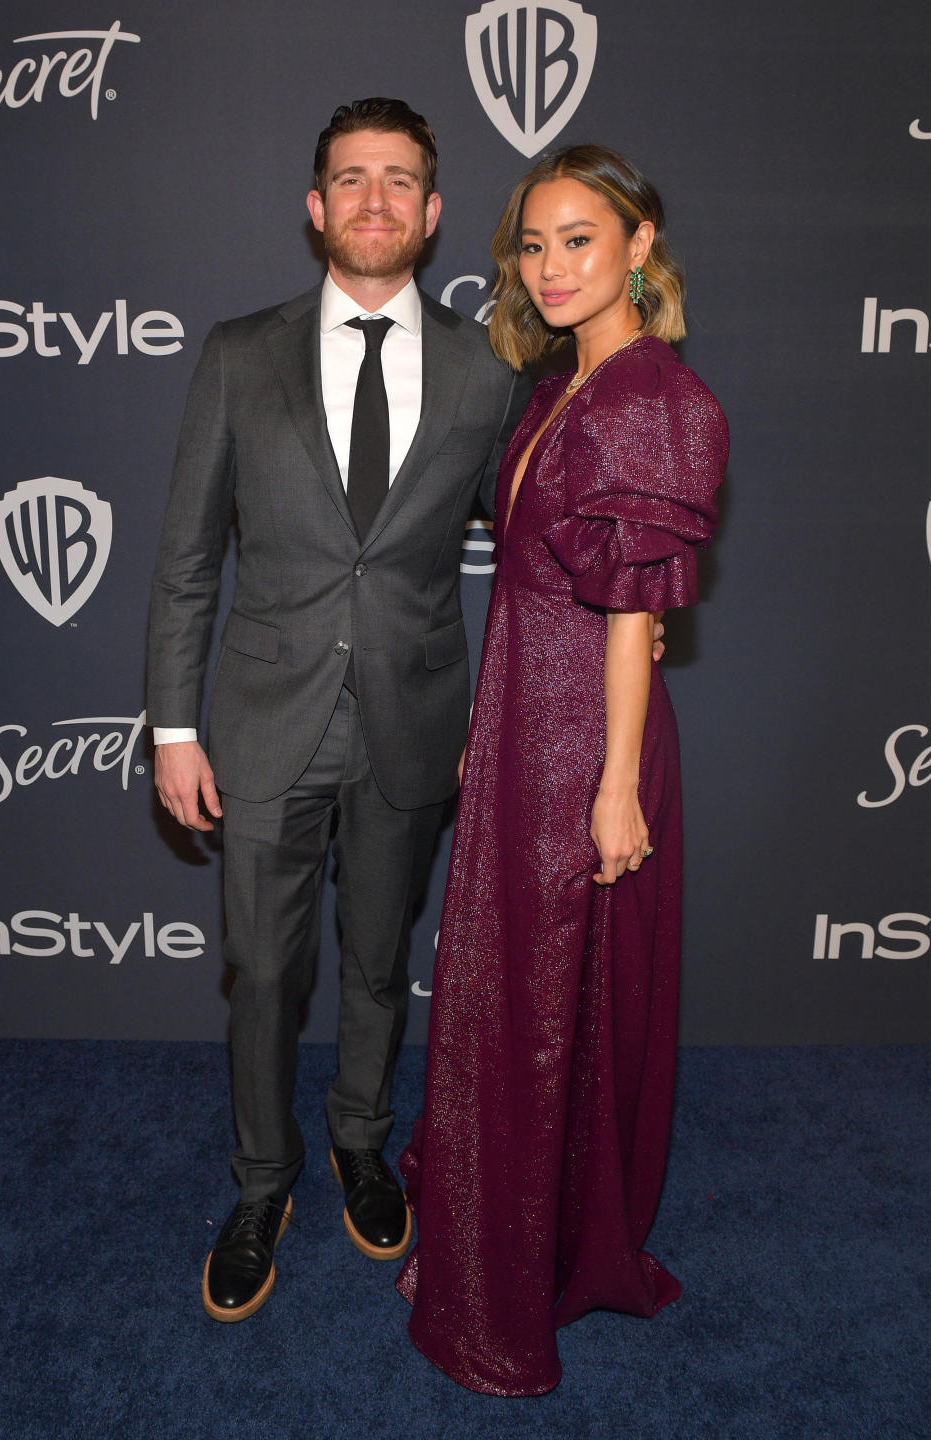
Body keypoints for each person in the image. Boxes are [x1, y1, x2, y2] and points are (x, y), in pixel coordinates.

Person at [145, 98, 533, 1322]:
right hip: (261, 721)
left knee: (377, 961)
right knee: (263, 971)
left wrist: (622, 610)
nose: (374, 199)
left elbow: (525, 553)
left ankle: (361, 1142)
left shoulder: (487, 369)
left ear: (430, 214)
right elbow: (188, 559)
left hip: (413, 723)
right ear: (316, 209)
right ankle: (263, 1182)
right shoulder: (237, 353)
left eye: (399, 180)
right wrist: (171, 726)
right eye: (350, 179)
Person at [396, 145, 729, 1395]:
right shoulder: (559, 388)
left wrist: (613, 780)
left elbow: (634, 619)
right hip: (528, 728)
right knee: (523, 1005)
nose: (549, 268)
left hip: (592, 743)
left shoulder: (651, 400)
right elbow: (537, 600)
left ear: (641, 245)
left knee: (549, 1012)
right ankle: (517, 1243)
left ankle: (534, 1268)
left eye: (579, 240)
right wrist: (495, 727)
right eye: (533, 245)